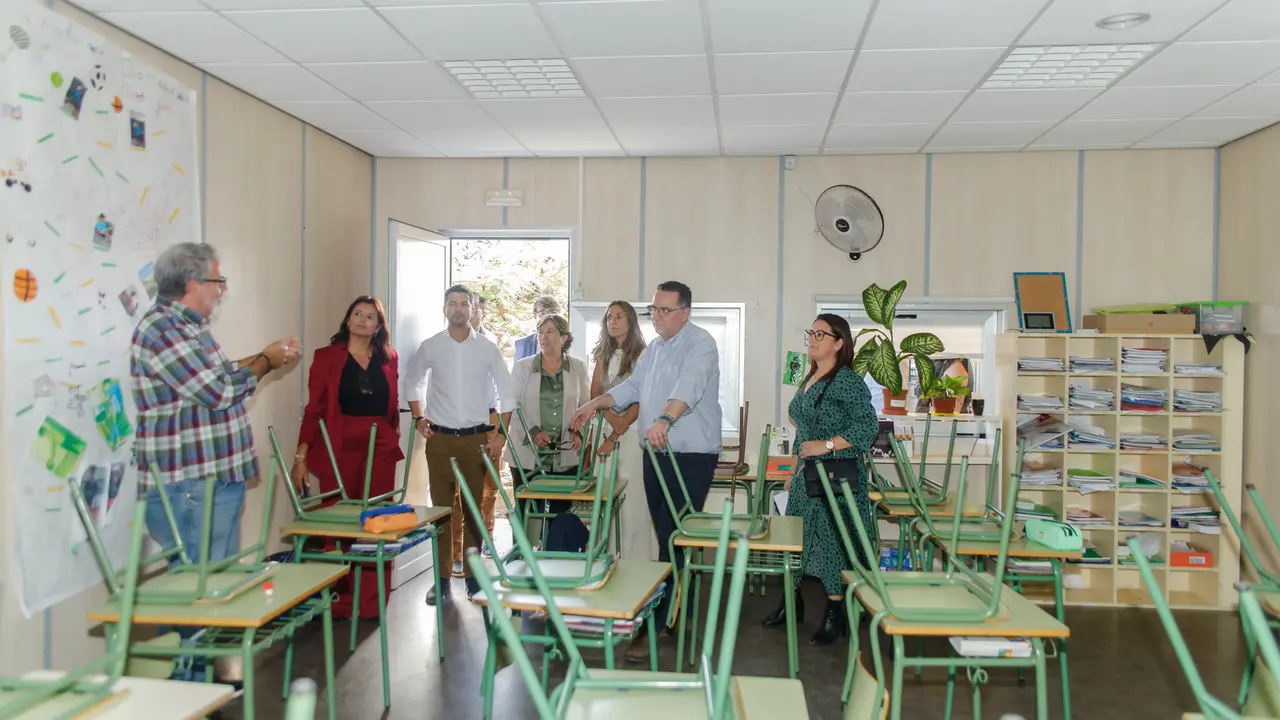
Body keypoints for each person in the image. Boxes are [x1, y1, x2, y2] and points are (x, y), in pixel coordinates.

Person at [570, 281, 721, 663]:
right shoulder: (654, 349)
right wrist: (593, 404)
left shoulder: (700, 343)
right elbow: (631, 388)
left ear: (685, 312)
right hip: (656, 454)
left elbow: (691, 386)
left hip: (689, 455)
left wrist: (665, 419)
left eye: (665, 311)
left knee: (677, 534)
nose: (657, 317)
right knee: (666, 533)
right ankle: (671, 607)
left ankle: (668, 617)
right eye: (654, 310)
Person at [131, 242, 300, 568]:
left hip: (206, 481)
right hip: (190, 484)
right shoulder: (164, 329)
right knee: (200, 588)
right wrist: (265, 361)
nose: (223, 289)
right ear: (193, 285)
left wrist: (268, 357)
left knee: (209, 584)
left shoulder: (189, 327)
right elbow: (218, 392)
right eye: (218, 281)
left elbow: (215, 375)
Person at [761, 314, 878, 646]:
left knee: (831, 544)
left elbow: (867, 428)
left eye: (821, 334)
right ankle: (791, 603)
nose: (812, 338)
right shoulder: (810, 377)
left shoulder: (847, 381)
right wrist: (791, 472)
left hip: (834, 476)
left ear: (839, 344)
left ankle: (834, 613)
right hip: (805, 476)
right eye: (810, 332)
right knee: (795, 540)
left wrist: (827, 445)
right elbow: (804, 433)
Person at [292, 296, 403, 619]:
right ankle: (340, 601)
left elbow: (392, 406)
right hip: (339, 442)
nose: (362, 320)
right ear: (347, 319)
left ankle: (371, 603)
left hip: (380, 443)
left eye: (370, 317)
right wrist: (301, 455)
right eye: (357, 313)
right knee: (339, 522)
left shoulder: (389, 357)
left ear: (379, 326)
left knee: (378, 523)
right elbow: (313, 411)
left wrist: (390, 435)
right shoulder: (326, 357)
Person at [405, 285, 514, 604]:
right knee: (440, 513)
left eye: (463, 304)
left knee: (474, 513)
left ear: (472, 309)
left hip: (476, 441)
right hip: (438, 440)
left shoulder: (488, 349)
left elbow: (507, 393)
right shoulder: (431, 346)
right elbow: (412, 381)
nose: (457, 309)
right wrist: (417, 416)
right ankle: (440, 581)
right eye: (451, 303)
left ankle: (473, 578)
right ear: (444, 309)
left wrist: (500, 435)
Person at [505, 315, 590, 535]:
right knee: (526, 510)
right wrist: (532, 431)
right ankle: (523, 559)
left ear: (564, 338)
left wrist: (578, 432)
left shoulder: (578, 368)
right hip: (527, 453)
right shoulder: (522, 368)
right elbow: (511, 406)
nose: (544, 337)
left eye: (550, 332)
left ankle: (555, 557)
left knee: (561, 514)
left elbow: (586, 407)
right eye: (541, 332)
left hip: (566, 452)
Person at [589, 301, 652, 561]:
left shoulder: (644, 354)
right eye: (609, 317)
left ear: (631, 321)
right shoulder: (602, 353)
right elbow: (594, 393)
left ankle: (635, 562)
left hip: (631, 433)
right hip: (604, 427)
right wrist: (608, 418)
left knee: (631, 501)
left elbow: (642, 397)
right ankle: (606, 559)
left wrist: (618, 429)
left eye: (619, 316)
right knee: (604, 498)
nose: (612, 321)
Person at [513, 295, 561, 361]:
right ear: (535, 318)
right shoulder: (522, 345)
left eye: (552, 312)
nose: (547, 317)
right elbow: (517, 370)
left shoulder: (572, 343)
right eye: (542, 313)